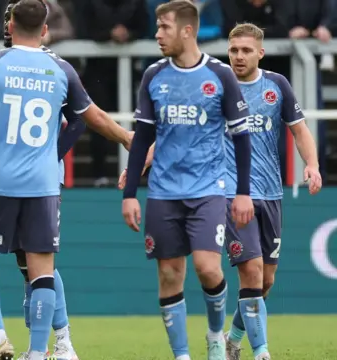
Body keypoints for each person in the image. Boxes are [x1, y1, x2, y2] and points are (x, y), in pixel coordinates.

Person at [0, 1, 135, 359]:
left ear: (8, 25)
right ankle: (38, 351)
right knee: (42, 269)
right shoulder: (62, 69)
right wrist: (127, 138)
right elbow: (93, 117)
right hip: (42, 185)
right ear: (45, 30)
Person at [121, 1, 255, 360]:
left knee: (208, 268)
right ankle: (181, 355)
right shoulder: (153, 76)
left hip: (209, 189)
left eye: (164, 27)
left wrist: (243, 192)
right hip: (164, 192)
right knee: (169, 274)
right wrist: (131, 193)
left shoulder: (220, 75)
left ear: (187, 31)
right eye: (157, 26)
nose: (157, 34)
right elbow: (142, 138)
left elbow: (242, 137)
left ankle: (214, 335)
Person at [223, 23, 322, 360]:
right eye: (234, 49)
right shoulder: (217, 86)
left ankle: (232, 338)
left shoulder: (276, 85)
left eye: (246, 50)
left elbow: (300, 130)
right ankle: (262, 352)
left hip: (271, 193)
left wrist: (312, 164)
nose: (238, 56)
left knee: (265, 281)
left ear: (260, 53)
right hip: (234, 195)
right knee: (250, 272)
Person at [1, 1, 86, 359]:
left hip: (40, 178)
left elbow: (80, 118)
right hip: (11, 176)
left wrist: (50, 156)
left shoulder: (49, 66)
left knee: (39, 260)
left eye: (11, 19)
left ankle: (62, 342)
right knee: (27, 262)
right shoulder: (0, 65)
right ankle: (46, 343)